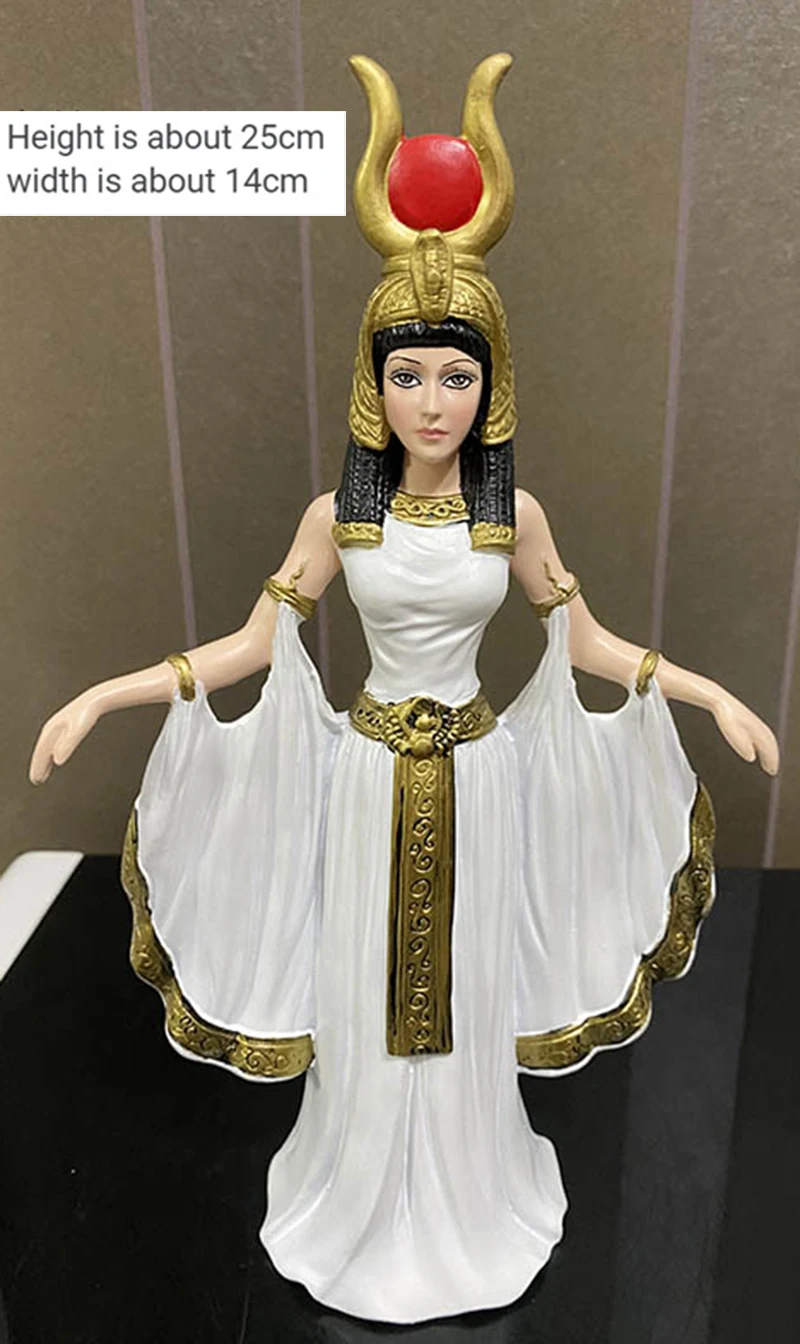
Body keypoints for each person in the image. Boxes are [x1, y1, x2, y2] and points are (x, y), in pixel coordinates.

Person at [29, 54, 778, 1325]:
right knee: (367, 993)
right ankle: (359, 1188)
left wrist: (704, 696)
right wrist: (109, 694)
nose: (431, 400)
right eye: (408, 374)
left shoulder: (510, 517)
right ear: (371, 383)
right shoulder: (339, 515)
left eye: (455, 375)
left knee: (460, 992)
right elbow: (252, 645)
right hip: (366, 777)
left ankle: (468, 1193)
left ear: (492, 384)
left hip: (476, 781)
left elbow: (586, 642)